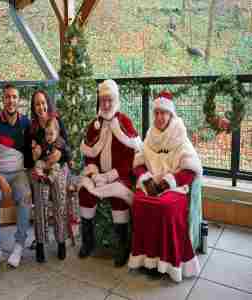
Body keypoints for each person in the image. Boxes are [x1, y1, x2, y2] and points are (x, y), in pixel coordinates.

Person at [128, 90, 202, 282]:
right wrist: (146, 179)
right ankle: (148, 260)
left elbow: (191, 170)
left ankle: (168, 263)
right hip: (151, 183)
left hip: (174, 187)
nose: (160, 117)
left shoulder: (180, 135)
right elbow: (139, 163)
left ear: (171, 114)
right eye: (157, 113)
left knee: (165, 206)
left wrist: (166, 183)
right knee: (140, 202)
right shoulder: (150, 134)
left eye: (164, 113)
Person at [78, 79, 143, 267]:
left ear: (115, 100)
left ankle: (122, 246)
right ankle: (88, 241)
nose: (105, 104)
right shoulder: (94, 125)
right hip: (97, 175)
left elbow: (130, 159)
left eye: (109, 100)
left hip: (119, 176)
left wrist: (109, 176)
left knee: (117, 197)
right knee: (85, 192)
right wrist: (94, 172)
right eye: (103, 100)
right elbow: (88, 154)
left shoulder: (124, 122)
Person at [0, 83, 32, 273]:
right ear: (2, 100)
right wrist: (0, 180)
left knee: (26, 196)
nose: (11, 100)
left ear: (18, 100)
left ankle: (19, 245)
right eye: (7, 97)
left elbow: (37, 144)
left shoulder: (26, 123)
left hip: (19, 173)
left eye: (14, 97)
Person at [24, 89, 76, 263]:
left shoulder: (56, 121)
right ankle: (40, 242)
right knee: (40, 198)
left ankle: (61, 240)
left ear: (48, 103)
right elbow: (28, 159)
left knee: (59, 197)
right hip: (40, 168)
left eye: (43, 102)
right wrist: (36, 156)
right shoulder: (31, 129)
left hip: (58, 167)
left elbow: (68, 146)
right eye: (37, 104)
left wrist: (60, 153)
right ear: (34, 107)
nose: (41, 106)